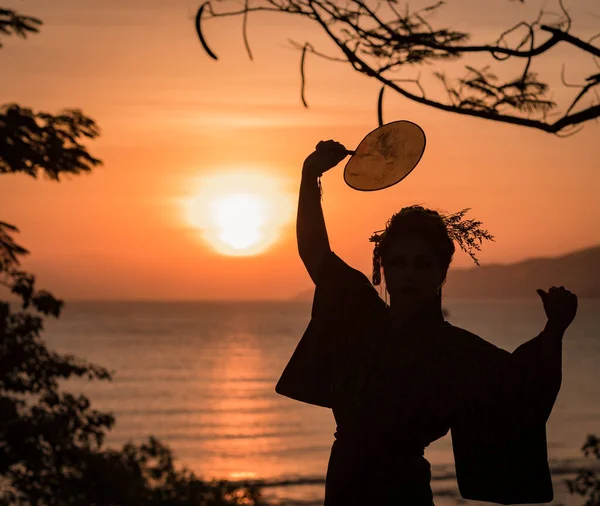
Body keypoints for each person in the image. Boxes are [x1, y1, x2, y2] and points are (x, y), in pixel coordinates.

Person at [275, 140, 579, 505]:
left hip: (403, 489)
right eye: (399, 263)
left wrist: (554, 330)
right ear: (383, 268)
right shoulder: (359, 317)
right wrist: (310, 176)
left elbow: (522, 390)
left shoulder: (456, 350)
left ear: (441, 273)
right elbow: (315, 250)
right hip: (343, 482)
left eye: (422, 264)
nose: (409, 275)